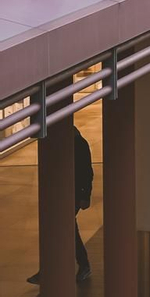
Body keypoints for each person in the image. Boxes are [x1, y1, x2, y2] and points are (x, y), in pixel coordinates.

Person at [26, 122, 94, 285]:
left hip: (73, 193)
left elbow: (87, 172)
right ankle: (75, 266)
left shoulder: (78, 144)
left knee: (64, 228)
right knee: (65, 229)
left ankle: (76, 266)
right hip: (63, 192)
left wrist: (85, 196)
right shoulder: (65, 143)